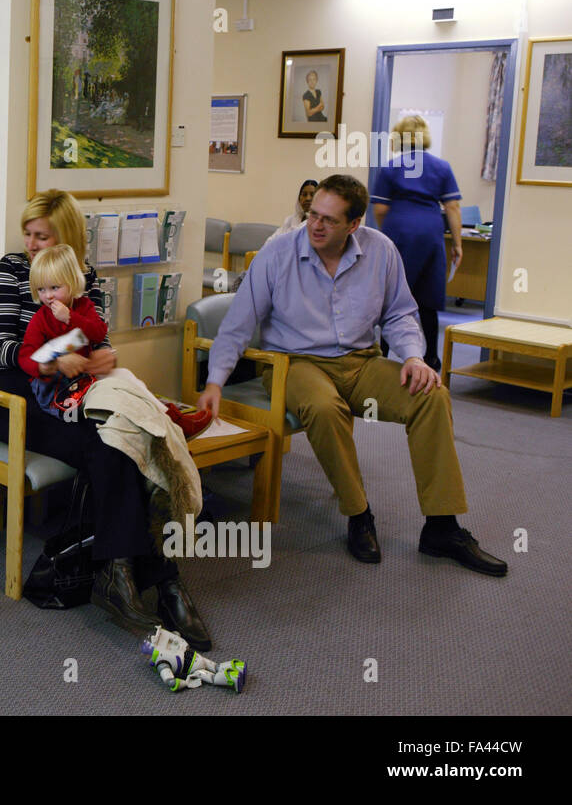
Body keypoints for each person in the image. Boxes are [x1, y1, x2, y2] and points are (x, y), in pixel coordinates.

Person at [196, 174, 507, 577]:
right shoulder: (277, 254)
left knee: (431, 396)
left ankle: (441, 527)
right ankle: (359, 513)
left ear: (354, 224)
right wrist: (215, 381)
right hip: (294, 364)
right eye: (312, 215)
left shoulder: (381, 251)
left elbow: (399, 313)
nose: (316, 225)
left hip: (361, 361)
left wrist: (414, 357)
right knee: (324, 407)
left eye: (328, 219)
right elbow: (239, 324)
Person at [0, 189, 212, 650]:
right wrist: (56, 360)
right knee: (106, 446)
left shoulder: (86, 280)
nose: (30, 244)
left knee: (125, 438)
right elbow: (3, 347)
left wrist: (102, 357)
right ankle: (158, 578)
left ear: (64, 239)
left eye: (41, 236)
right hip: (16, 396)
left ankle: (125, 575)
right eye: (27, 234)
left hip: (76, 393)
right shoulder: (12, 270)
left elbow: (97, 341)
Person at [372, 115, 462, 372]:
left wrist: (385, 233)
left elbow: (380, 208)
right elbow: (453, 207)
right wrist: (457, 244)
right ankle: (431, 356)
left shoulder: (390, 168)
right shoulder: (442, 167)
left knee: (392, 296)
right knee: (428, 297)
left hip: (398, 230)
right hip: (430, 232)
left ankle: (383, 354)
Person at [19, 245, 108, 418]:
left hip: (83, 377)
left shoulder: (84, 306)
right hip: (52, 382)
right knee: (78, 413)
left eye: (54, 287)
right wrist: (44, 366)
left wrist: (70, 318)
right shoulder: (40, 318)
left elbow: (98, 334)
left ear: (72, 282)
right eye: (41, 289)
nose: (48, 296)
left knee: (117, 391)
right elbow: (25, 356)